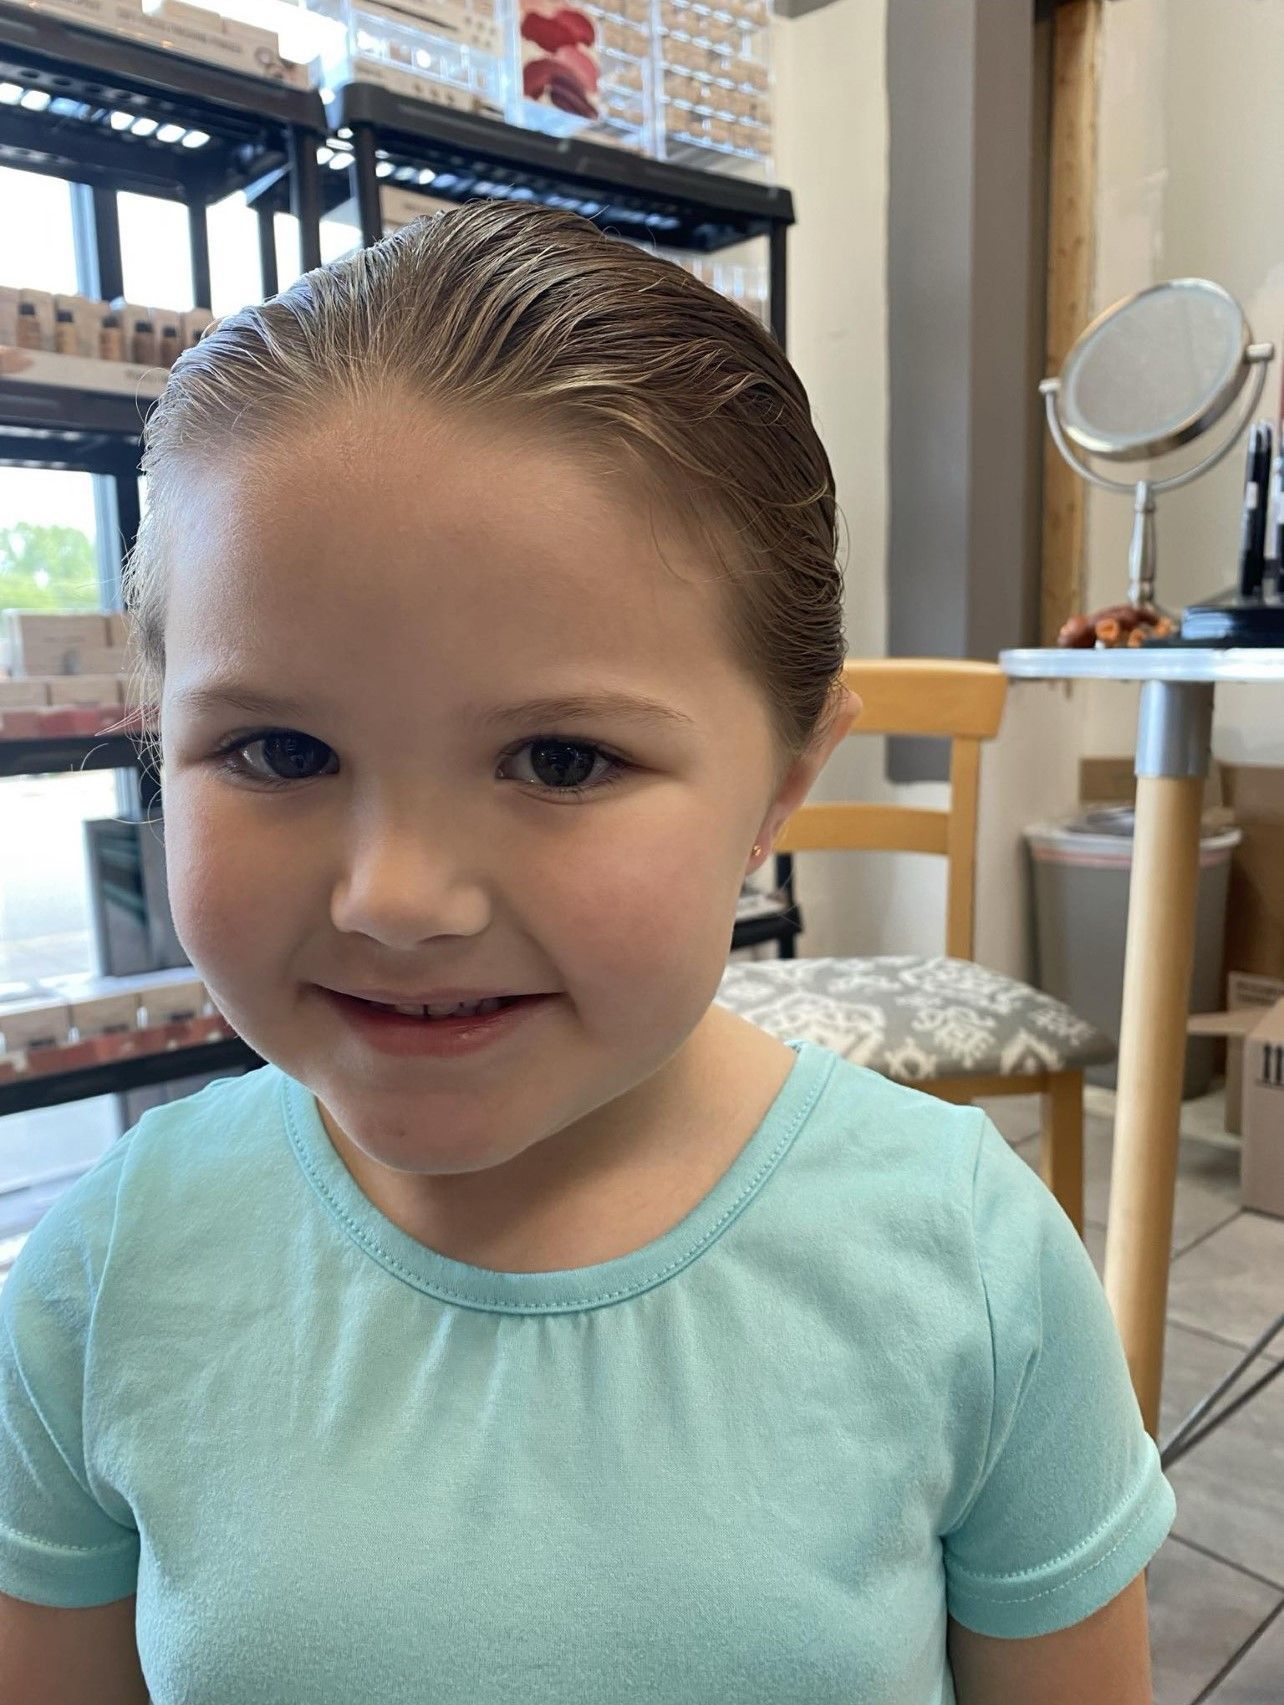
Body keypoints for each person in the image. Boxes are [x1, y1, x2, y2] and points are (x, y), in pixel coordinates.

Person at [0, 202, 1173, 1704]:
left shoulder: (971, 1274)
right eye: (279, 746)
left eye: (560, 760)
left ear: (785, 782)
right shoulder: (108, 1280)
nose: (396, 898)